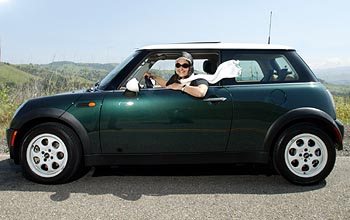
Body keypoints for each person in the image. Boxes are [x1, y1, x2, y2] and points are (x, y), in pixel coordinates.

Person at [144, 51, 209, 98]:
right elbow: (168, 85)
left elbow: (201, 92)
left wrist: (180, 87)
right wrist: (153, 76)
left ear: (190, 67)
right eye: (178, 65)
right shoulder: (176, 78)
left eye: (185, 65)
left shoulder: (198, 79)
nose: (181, 68)